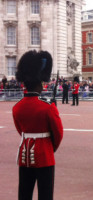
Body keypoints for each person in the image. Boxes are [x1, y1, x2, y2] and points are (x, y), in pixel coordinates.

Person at [12, 50, 63, 200]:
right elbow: (58, 133)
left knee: (24, 193)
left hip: (24, 154)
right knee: (45, 194)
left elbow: (20, 130)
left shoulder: (17, 107)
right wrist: (50, 147)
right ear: (38, 84)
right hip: (44, 154)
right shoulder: (47, 107)